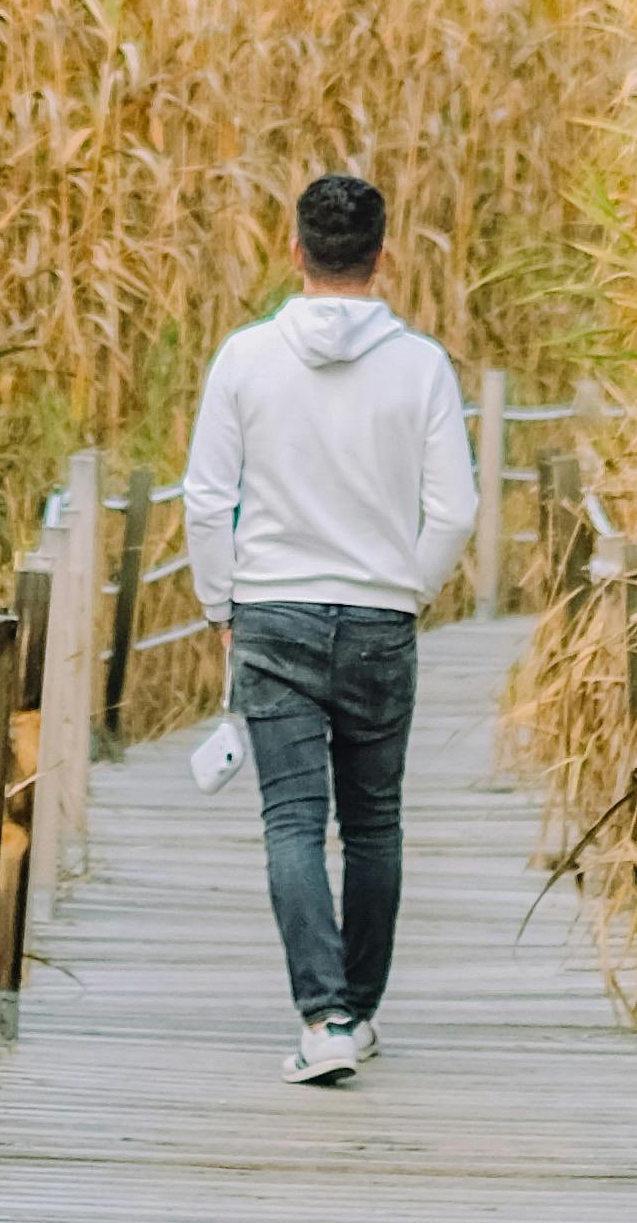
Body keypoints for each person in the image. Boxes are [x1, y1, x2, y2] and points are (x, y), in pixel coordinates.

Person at [180, 171, 476, 1084]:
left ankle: (325, 1019)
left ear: (295, 250)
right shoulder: (421, 366)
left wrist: (221, 606)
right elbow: (455, 510)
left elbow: (206, 499)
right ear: (383, 257)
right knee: (375, 823)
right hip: (381, 615)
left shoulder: (245, 359)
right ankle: (360, 1009)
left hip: (273, 611)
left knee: (293, 821)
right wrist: (408, 591)